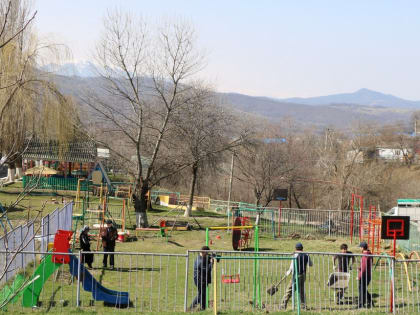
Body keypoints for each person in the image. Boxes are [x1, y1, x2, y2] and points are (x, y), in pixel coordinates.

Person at [281, 242, 313, 310]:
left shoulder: (295, 255)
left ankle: (283, 305)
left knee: (289, 290)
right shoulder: (306, 255)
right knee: (301, 291)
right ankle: (303, 306)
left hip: (296, 275)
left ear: (295, 248)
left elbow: (292, 266)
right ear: (302, 249)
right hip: (303, 275)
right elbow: (311, 264)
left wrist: (288, 272)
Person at [189, 246, 214, 311]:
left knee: (203, 294)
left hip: (200, 279)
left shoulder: (200, 257)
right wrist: (211, 263)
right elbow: (207, 270)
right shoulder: (201, 260)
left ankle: (203, 308)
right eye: (207, 253)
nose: (208, 254)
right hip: (200, 279)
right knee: (201, 294)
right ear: (204, 252)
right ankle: (191, 307)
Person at [358, 241, 374, 308]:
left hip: (364, 275)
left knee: (361, 289)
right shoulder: (369, 254)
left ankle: (361, 304)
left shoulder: (365, 255)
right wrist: (360, 267)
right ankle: (370, 301)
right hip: (368, 274)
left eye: (360, 247)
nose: (359, 248)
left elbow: (364, 268)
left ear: (362, 248)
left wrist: (359, 276)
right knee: (363, 289)